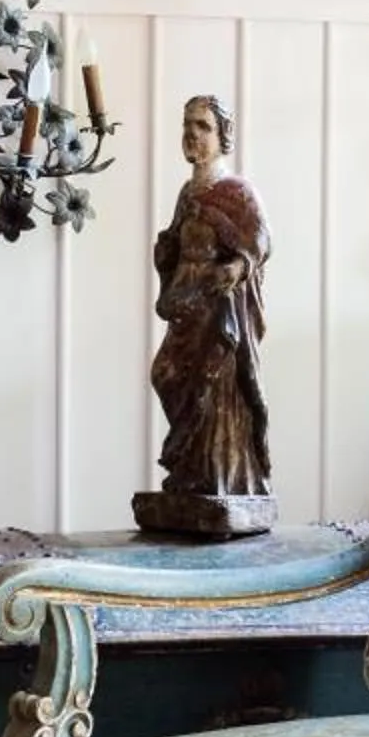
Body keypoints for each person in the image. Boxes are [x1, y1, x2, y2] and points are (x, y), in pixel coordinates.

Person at [148, 95, 271, 501]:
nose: (191, 134)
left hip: (219, 309)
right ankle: (189, 473)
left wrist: (238, 267)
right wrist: (166, 249)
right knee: (166, 374)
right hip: (187, 303)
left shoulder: (237, 191)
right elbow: (178, 239)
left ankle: (219, 481)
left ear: (222, 136)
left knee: (212, 388)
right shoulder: (188, 193)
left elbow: (261, 241)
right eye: (187, 124)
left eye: (202, 126)